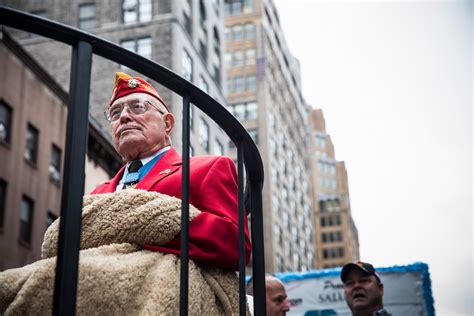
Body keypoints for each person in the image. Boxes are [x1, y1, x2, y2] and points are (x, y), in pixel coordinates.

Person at [91, 72, 251, 270]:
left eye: (137, 106)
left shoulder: (208, 168)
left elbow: (235, 246)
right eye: (115, 113)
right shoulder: (97, 194)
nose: (123, 116)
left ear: (167, 123)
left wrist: (142, 227)